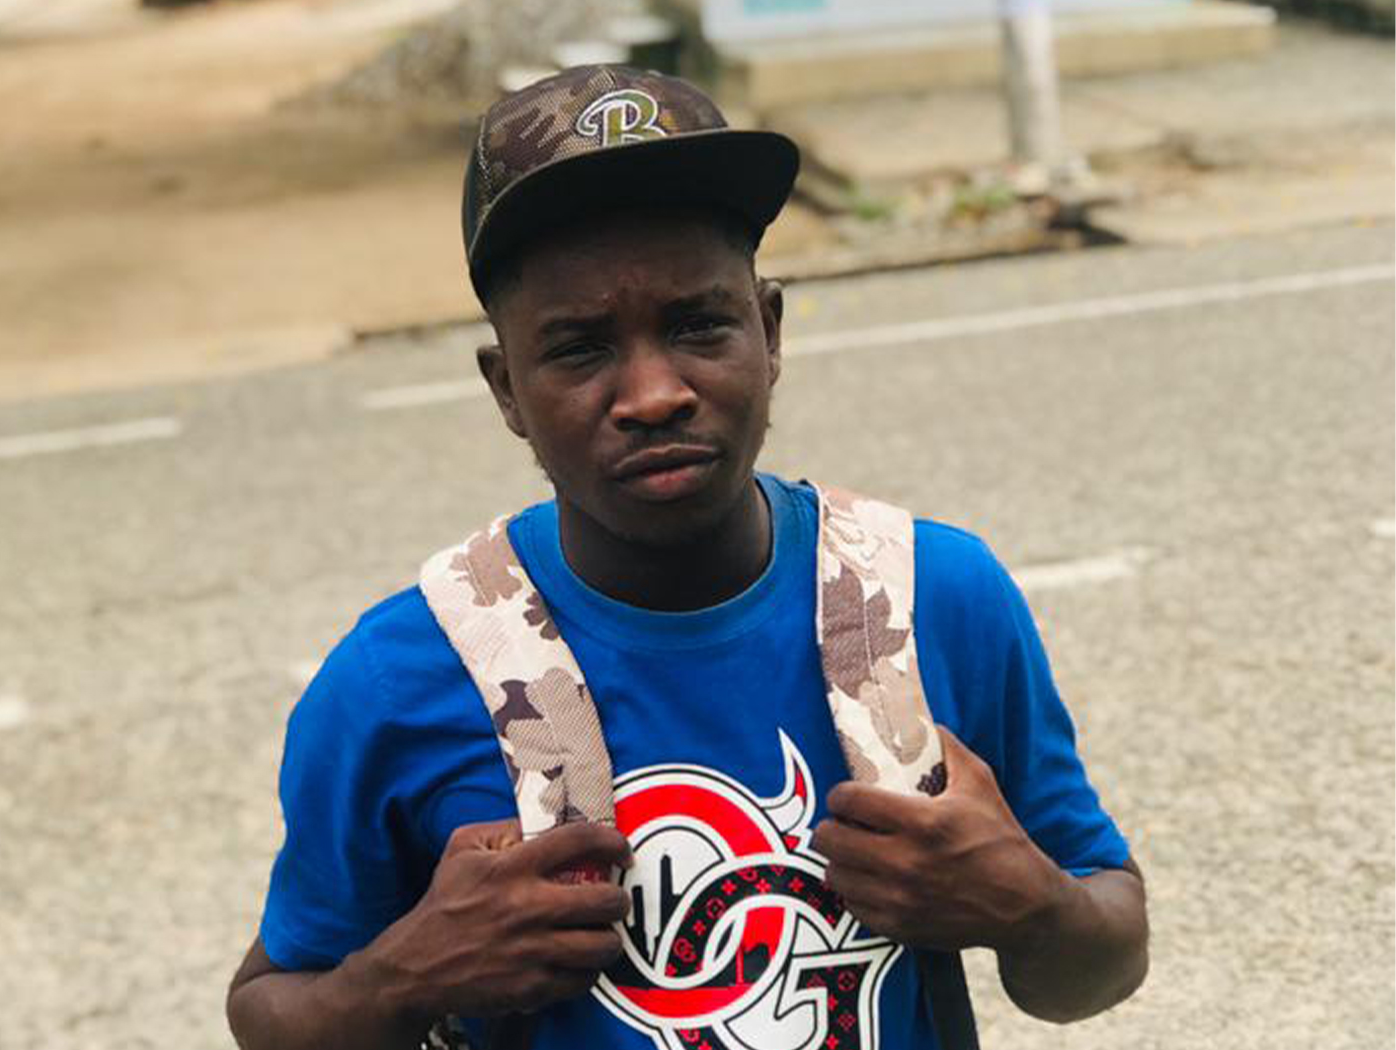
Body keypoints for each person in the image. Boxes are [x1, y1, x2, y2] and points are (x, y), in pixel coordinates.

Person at [225, 65, 1148, 1050]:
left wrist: (1031, 907)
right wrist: (405, 975)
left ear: (769, 331)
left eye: (698, 324)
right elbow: (271, 1008)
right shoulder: (400, 675)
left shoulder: (935, 598)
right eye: (579, 348)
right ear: (506, 390)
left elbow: (1101, 959)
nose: (654, 393)